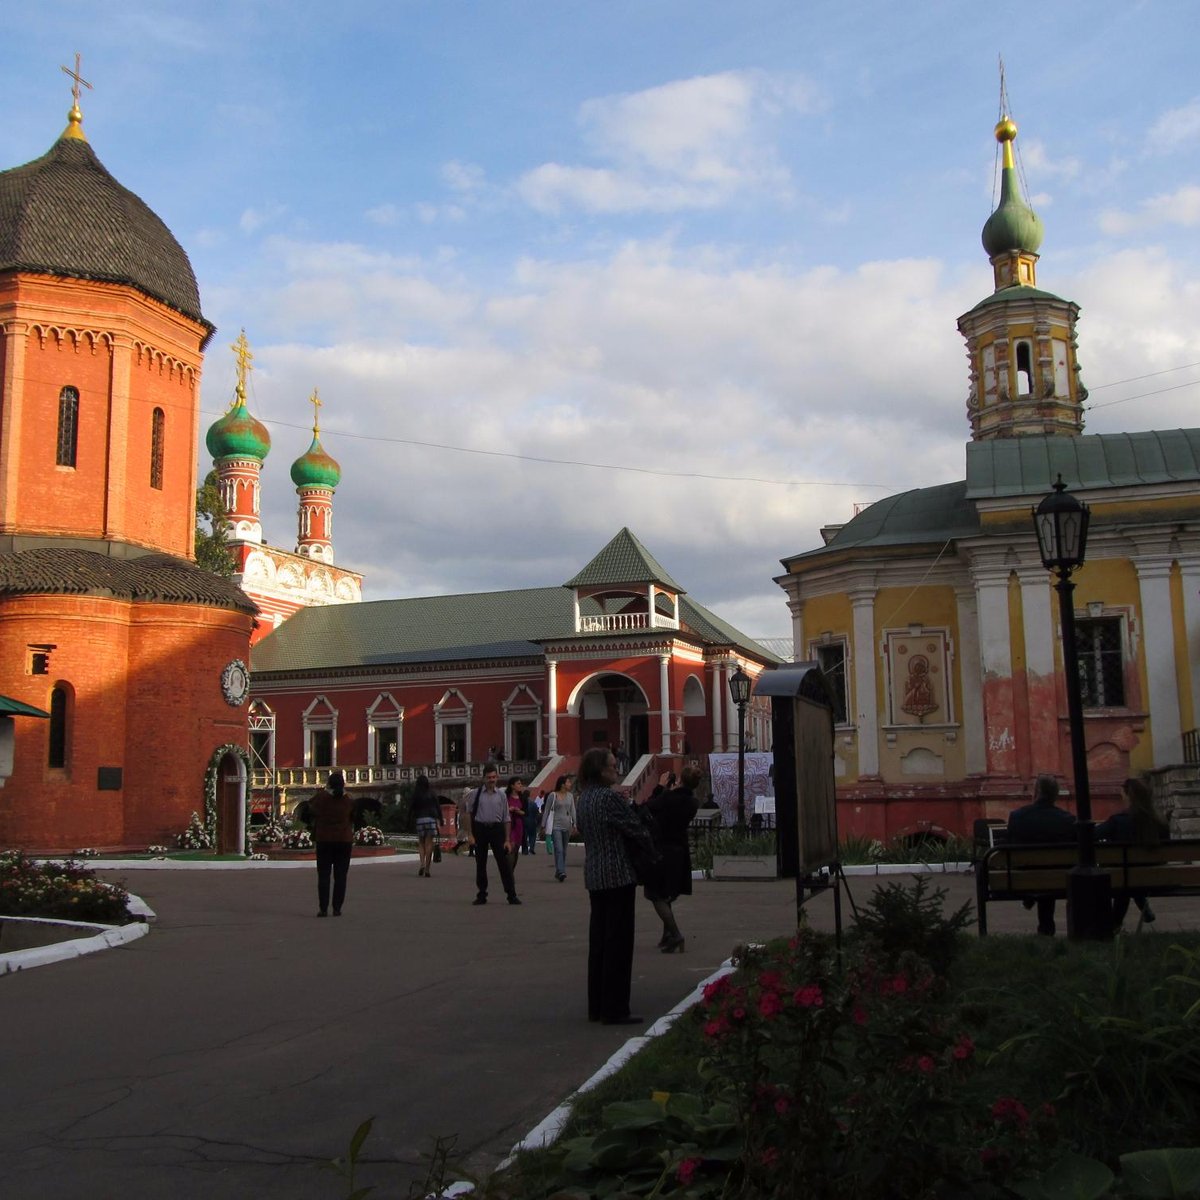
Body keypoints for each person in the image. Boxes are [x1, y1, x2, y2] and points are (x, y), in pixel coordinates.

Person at [576, 747, 657, 1026]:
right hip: (618, 875)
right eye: (612, 766)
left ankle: (596, 1005)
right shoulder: (611, 798)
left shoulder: (584, 799)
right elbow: (635, 829)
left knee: (598, 943)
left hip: (595, 876)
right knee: (619, 945)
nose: (617, 769)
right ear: (601, 771)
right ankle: (615, 1008)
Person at [637, 765, 702, 953]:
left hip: (662, 850)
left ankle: (675, 934)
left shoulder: (668, 797)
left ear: (680, 780)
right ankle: (667, 935)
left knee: (654, 894)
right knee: (667, 894)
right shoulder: (693, 802)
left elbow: (647, 808)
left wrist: (660, 787)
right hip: (679, 851)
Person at [1007, 774, 1077, 936]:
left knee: (1040, 874)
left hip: (1023, 878)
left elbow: (1009, 845)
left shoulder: (1018, 817)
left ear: (1036, 792)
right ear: (1056, 795)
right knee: (1050, 872)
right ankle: (1046, 927)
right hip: (1061, 877)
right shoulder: (1068, 819)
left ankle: (1036, 907)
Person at [1097, 776, 1169, 927]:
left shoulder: (1119, 821)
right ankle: (1143, 908)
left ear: (1127, 795)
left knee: (1126, 877)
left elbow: (1092, 836)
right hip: (1155, 877)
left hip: (1124, 877)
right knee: (1132, 873)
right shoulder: (1159, 822)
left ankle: (1115, 925)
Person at [465, 766, 520, 905]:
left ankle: (511, 894)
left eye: (493, 777)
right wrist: (470, 834)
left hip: (497, 830)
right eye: (489, 777)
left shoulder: (501, 795)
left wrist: (507, 839)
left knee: (503, 863)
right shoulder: (475, 794)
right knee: (481, 863)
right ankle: (482, 894)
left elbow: (506, 818)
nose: (491, 780)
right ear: (484, 778)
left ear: (497, 778)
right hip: (480, 829)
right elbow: (468, 814)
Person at [309, 769, 355, 917]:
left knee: (323, 875)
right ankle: (337, 908)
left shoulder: (321, 798)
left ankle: (323, 908)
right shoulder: (348, 800)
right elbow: (354, 817)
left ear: (328, 784)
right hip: (344, 840)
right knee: (341, 876)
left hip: (324, 840)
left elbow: (309, 811)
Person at [542, 774, 577, 882]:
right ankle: (561, 871)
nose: (570, 784)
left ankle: (558, 871)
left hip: (567, 826)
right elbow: (547, 810)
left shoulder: (570, 796)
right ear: (562, 784)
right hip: (555, 826)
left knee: (564, 851)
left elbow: (573, 811)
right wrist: (543, 825)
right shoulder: (553, 795)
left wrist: (575, 824)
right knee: (559, 849)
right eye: (568, 782)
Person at [409, 775, 442, 878]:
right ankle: (427, 869)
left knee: (421, 842)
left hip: (420, 820)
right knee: (429, 844)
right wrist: (440, 820)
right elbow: (437, 807)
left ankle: (422, 864)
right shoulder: (432, 793)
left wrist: (408, 820)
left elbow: (411, 808)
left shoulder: (416, 794)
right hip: (431, 820)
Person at [506, 777, 526, 875]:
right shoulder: (506, 797)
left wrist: (518, 811)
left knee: (516, 849)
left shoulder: (522, 798)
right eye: (518, 783)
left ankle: (511, 870)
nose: (520, 785)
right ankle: (509, 873)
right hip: (509, 825)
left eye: (520, 783)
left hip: (519, 825)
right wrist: (509, 809)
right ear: (512, 786)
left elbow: (525, 813)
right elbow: (502, 810)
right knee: (511, 847)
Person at [522, 788, 541, 855]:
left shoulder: (522, 802)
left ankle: (525, 850)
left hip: (524, 821)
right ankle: (531, 849)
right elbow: (537, 812)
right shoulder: (533, 803)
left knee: (524, 836)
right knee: (532, 835)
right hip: (532, 821)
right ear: (529, 795)